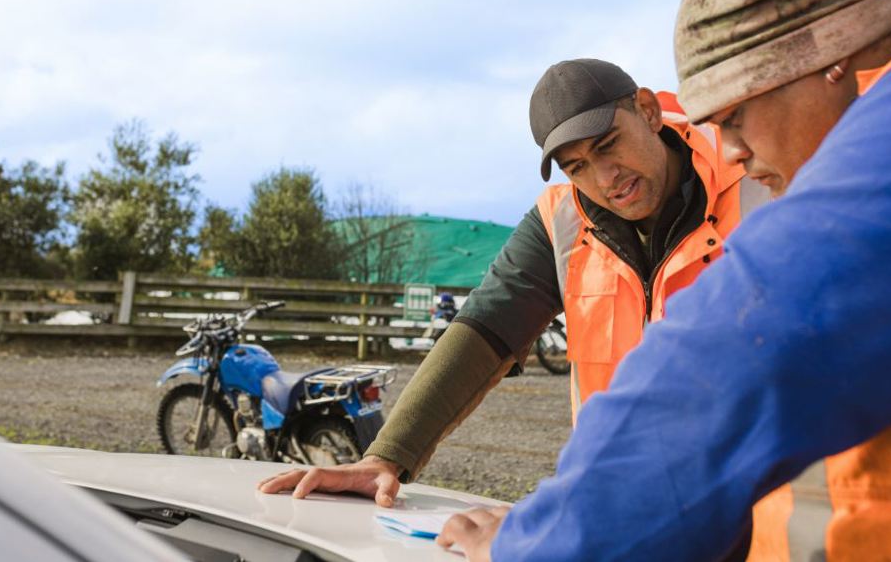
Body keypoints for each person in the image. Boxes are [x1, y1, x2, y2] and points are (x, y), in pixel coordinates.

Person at [437, 0, 891, 561]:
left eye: (736, 116)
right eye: (577, 166)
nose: (734, 150)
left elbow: (750, 346)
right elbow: (488, 321)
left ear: (830, 58)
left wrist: (537, 543)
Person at [259, 59, 761, 504]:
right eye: (577, 166)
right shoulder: (562, 222)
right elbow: (483, 328)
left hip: (752, 507)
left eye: (609, 145)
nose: (606, 177)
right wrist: (386, 457)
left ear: (648, 111)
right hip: (621, 508)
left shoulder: (761, 178)